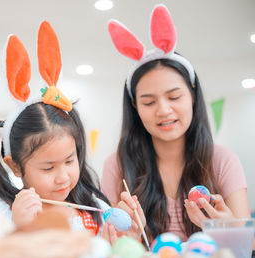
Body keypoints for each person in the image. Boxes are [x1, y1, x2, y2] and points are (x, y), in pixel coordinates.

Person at [102, 4, 250, 242]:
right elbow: (110, 246)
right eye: (149, 102)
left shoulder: (222, 161)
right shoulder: (118, 165)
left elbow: (246, 247)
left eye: (174, 97)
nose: (164, 110)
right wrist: (121, 237)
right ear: (134, 106)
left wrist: (227, 228)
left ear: (192, 95)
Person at [0, 21, 114, 238]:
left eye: (69, 161)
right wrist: (20, 229)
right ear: (15, 166)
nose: (63, 177)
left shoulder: (95, 211)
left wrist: (121, 241)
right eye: (48, 168)